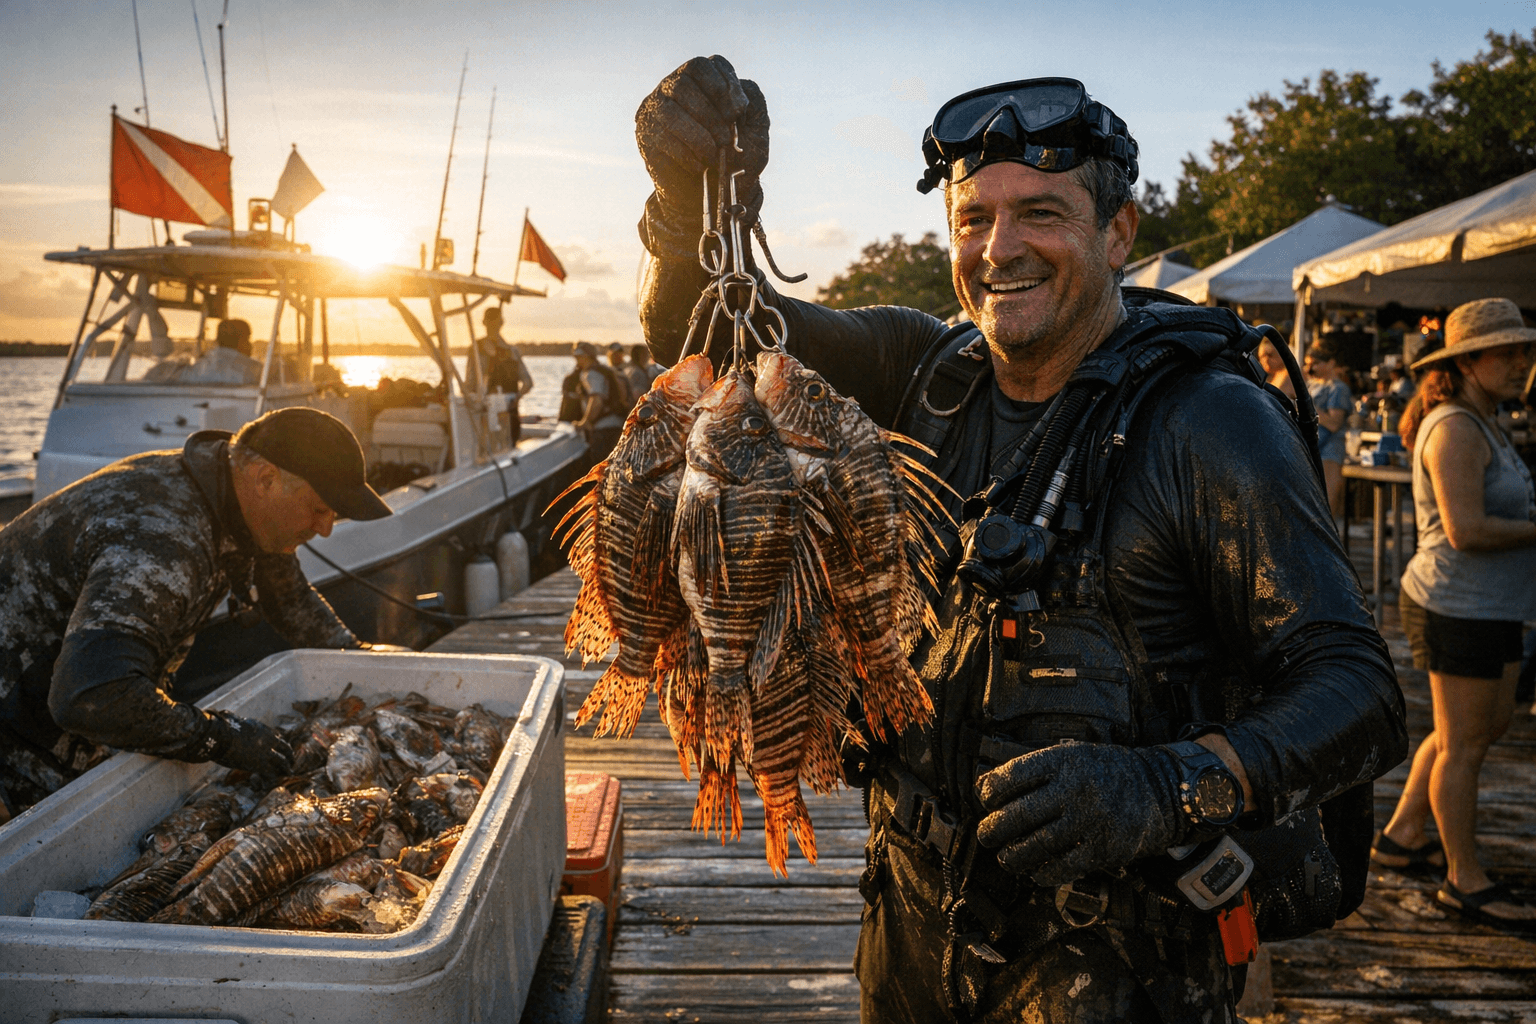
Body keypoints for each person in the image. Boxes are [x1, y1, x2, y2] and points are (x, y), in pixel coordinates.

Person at [634, 56, 1405, 1023]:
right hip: (912, 918)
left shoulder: (1211, 423)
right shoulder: (921, 367)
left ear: (1117, 229)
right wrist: (685, 201)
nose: (1000, 247)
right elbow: (702, 327)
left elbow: (1362, 693)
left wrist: (1166, 785)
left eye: (1042, 213)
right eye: (973, 218)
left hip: (1120, 958)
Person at [0, 407, 392, 819]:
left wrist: (356, 660)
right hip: (17, 721)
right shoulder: (163, 536)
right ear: (265, 479)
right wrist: (221, 738)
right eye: (319, 508)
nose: (327, 527)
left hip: (66, 705)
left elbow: (287, 596)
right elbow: (90, 696)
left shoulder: (232, 496)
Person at [1376, 297, 1536, 932]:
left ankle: (1404, 834)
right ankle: (1464, 879)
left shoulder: (1485, 419)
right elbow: (1465, 530)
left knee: (1468, 733)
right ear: (1471, 360)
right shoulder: (1455, 427)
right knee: (1465, 744)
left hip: (1491, 606)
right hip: (1455, 604)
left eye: (1527, 350)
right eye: (1513, 351)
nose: (1525, 362)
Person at [1304, 339, 1352, 520]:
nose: (1312, 368)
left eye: (1316, 363)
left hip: (1330, 451)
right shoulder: (1312, 384)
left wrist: (1310, 409)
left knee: (1326, 507)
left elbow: (1334, 423)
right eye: (1309, 364)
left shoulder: (1338, 388)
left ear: (1331, 363)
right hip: (1310, 448)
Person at [476, 306, 534, 445]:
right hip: (498, 410)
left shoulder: (478, 349)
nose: (492, 324)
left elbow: (528, 383)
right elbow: (527, 383)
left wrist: (516, 398)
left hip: (500, 412)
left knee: (501, 444)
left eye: (493, 321)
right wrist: (516, 398)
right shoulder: (511, 351)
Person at [571, 342, 626, 460]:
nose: (576, 360)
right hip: (617, 425)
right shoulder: (606, 370)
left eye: (578, 356)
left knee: (600, 469)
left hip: (604, 430)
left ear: (585, 357)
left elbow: (596, 399)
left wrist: (584, 422)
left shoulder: (591, 374)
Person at [171, 319, 264, 386]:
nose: (250, 345)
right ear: (241, 340)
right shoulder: (255, 370)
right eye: (248, 339)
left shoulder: (197, 367)